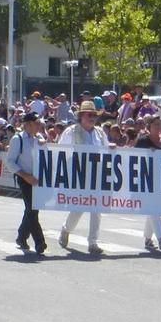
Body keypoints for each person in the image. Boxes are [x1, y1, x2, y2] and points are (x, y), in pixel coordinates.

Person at [57, 101, 112, 254]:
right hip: (78, 173)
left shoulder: (100, 132)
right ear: (81, 116)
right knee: (79, 207)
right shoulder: (71, 131)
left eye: (94, 115)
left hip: (97, 173)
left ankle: (93, 242)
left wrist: (112, 148)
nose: (92, 118)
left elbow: (107, 149)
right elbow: (61, 150)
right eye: (89, 115)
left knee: (97, 208)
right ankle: (66, 229)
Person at [6, 112, 47, 254]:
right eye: (36, 123)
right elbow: (10, 162)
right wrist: (25, 175)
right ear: (28, 124)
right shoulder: (18, 139)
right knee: (33, 209)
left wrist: (44, 144)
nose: (39, 125)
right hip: (24, 178)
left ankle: (21, 237)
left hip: (37, 179)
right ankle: (40, 241)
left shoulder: (39, 138)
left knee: (31, 210)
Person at [135, 115, 161, 250]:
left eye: (160, 124)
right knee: (154, 207)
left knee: (152, 209)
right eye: (155, 124)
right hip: (145, 179)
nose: (158, 127)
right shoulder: (143, 141)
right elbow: (133, 157)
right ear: (149, 126)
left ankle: (147, 238)